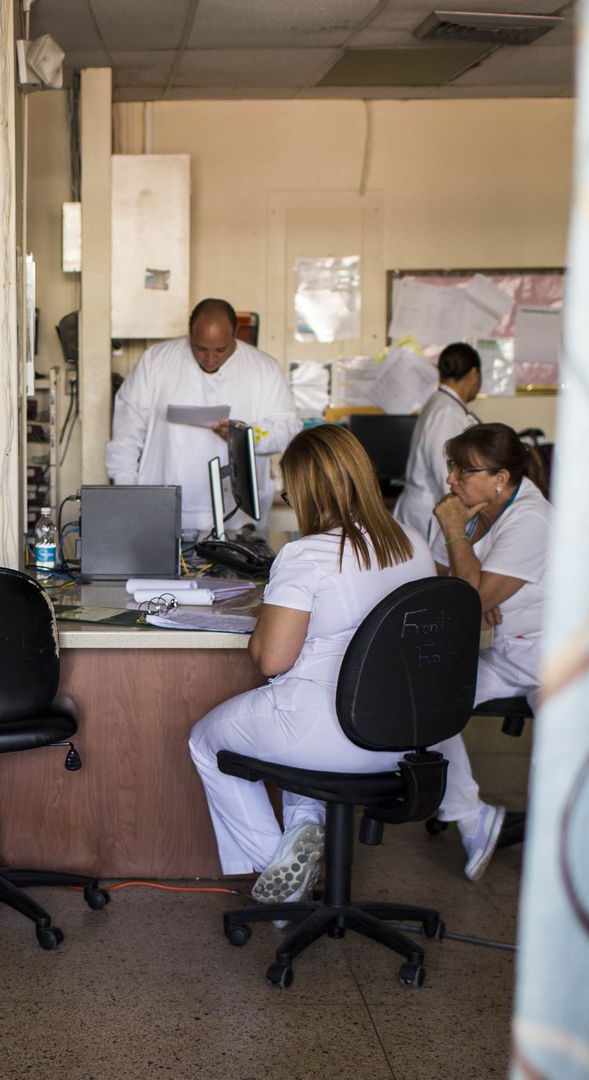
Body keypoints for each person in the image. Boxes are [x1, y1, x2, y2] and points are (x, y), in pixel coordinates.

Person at [187, 426, 508, 896]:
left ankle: (275, 867)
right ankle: (299, 842)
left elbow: (272, 659)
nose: (284, 492)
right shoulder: (412, 542)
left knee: (205, 741)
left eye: (289, 482)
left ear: (308, 488)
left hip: (328, 729)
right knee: (286, 732)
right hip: (406, 736)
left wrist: (267, 618)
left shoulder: (307, 554)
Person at [106, 298, 300, 533]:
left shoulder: (264, 369)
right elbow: (126, 433)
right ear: (190, 331)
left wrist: (245, 435)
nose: (210, 358)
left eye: (220, 350)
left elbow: (288, 429)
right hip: (163, 511)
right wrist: (129, 492)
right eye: (200, 349)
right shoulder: (155, 362)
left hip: (237, 518)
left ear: (235, 333)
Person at [430, 423, 551, 707]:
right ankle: (445, 755)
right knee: (425, 702)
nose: (450, 479)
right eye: (452, 466)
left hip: (547, 657)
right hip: (493, 652)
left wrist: (453, 530)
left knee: (554, 744)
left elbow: (473, 599)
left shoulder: (532, 519)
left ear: (500, 477)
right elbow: (433, 576)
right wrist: (473, 600)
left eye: (464, 471)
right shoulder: (465, 509)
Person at [391, 343, 482, 540]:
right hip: (428, 513)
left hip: (424, 509)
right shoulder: (446, 412)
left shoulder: (441, 403)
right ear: (474, 373)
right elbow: (445, 473)